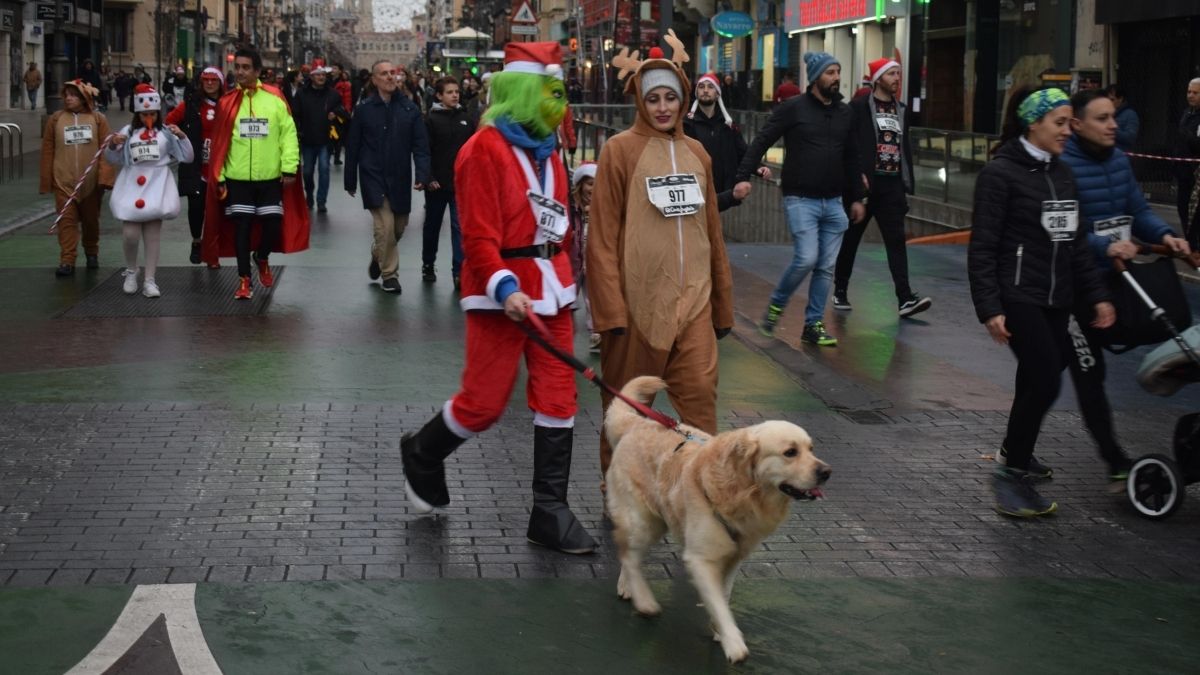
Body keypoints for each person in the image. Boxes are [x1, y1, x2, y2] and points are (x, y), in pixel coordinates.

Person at [400, 42, 596, 555]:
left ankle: (549, 510)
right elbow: (478, 236)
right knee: (484, 404)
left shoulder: (550, 147)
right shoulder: (481, 150)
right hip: (502, 293)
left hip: (551, 288)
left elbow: (556, 220)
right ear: (523, 92)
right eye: (549, 90)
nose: (559, 99)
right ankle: (423, 451)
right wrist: (505, 287)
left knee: (560, 397)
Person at [588, 45, 733, 492]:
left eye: (671, 97)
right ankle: (619, 496)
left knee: (700, 413)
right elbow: (602, 237)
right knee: (627, 415)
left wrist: (721, 307)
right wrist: (611, 312)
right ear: (640, 102)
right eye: (653, 99)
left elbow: (712, 234)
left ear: (684, 98)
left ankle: (703, 498)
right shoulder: (619, 151)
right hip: (636, 313)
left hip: (694, 308)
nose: (663, 107)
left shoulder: (698, 154)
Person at [968, 87, 1115, 517]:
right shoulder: (1000, 174)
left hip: (1057, 298)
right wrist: (990, 308)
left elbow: (1077, 247)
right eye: (1060, 123)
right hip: (1017, 295)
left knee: (1039, 376)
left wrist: (1098, 298)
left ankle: (1016, 448)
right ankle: (1011, 474)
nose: (1068, 131)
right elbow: (983, 247)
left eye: (1071, 122)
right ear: (1034, 123)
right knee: (1047, 378)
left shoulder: (1063, 174)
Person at [1059, 88, 1191, 485]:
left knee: (1041, 376)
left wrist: (1167, 236)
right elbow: (1067, 233)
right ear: (1077, 124)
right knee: (1087, 371)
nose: (1113, 125)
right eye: (1102, 119)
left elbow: (1138, 211)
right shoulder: (1061, 168)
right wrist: (1105, 244)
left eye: (1113, 117)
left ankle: (1017, 445)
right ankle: (1113, 456)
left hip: (1116, 279)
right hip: (1073, 287)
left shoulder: (1119, 161)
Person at [732, 52, 865, 346]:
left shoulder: (845, 114)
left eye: (838, 71)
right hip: (800, 198)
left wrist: (857, 197)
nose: (836, 78)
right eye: (830, 72)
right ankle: (777, 303)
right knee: (807, 257)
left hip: (834, 201)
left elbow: (852, 156)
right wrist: (743, 176)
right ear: (816, 76)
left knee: (825, 267)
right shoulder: (793, 109)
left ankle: (813, 324)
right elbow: (761, 141)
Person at [203, 47, 309, 300]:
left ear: (257, 71)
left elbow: (288, 135)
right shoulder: (227, 102)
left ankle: (261, 257)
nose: (240, 71)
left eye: (246, 67)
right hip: (237, 179)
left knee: (272, 224)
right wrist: (219, 176)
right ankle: (244, 280)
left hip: (271, 177)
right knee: (242, 227)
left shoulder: (275, 98)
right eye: (237, 67)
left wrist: (289, 167)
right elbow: (220, 143)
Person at [833, 57, 932, 318]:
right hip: (865, 186)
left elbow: (904, 147)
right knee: (851, 240)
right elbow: (849, 145)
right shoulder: (858, 108)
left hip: (892, 186)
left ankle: (905, 299)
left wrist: (905, 182)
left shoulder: (900, 108)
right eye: (892, 75)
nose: (897, 79)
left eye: (899, 74)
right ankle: (840, 289)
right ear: (878, 79)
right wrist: (855, 181)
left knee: (896, 242)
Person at [344, 60, 431, 294]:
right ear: (374, 80)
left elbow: (421, 146)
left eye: (393, 73)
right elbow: (353, 146)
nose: (390, 77)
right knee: (385, 225)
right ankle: (390, 275)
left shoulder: (409, 109)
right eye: (384, 74)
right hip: (372, 174)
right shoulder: (364, 109)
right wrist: (350, 178)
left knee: (398, 227)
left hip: (400, 175)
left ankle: (378, 253)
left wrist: (422, 173)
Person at [105, 85, 195, 298]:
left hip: (157, 187)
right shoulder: (128, 131)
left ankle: (150, 280)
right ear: (138, 113)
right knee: (130, 234)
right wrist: (112, 145)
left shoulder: (166, 132)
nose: (149, 117)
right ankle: (131, 269)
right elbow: (112, 159)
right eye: (145, 114)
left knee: (153, 236)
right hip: (131, 187)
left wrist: (182, 136)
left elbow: (187, 156)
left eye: (153, 113)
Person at [39, 79, 115, 276]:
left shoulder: (98, 119)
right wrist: (47, 180)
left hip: (90, 184)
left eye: (74, 95)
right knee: (66, 222)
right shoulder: (55, 119)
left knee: (91, 221)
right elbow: (48, 150)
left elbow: (106, 149)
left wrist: (104, 178)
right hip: (63, 181)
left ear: (84, 98)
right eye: (67, 94)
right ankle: (67, 260)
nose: (69, 98)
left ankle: (91, 251)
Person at [683, 72, 770, 211]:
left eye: (710, 87)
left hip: (720, 192)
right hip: (693, 190)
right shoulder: (686, 124)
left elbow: (743, 151)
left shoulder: (728, 125)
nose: (705, 90)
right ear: (696, 92)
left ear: (717, 93)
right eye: (701, 87)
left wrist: (758, 166)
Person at [166, 67, 226, 266]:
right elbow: (169, 122)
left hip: (221, 167)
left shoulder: (228, 104)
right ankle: (196, 241)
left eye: (213, 80)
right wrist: (178, 135)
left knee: (217, 212)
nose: (209, 84)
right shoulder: (190, 104)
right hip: (196, 166)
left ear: (220, 83)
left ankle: (213, 252)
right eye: (206, 80)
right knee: (196, 209)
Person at [422, 76, 475, 289]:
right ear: (439, 96)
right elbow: (425, 150)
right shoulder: (431, 120)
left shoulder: (466, 118)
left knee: (459, 228)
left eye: (456, 92)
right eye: (450, 92)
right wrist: (429, 177)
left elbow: (473, 149)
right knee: (432, 226)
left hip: (460, 184)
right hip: (437, 184)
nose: (455, 95)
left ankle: (459, 272)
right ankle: (428, 263)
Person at [294, 66, 346, 213]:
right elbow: (295, 114)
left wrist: (335, 114)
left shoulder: (333, 94)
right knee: (308, 172)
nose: (321, 77)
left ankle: (321, 200)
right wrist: (298, 131)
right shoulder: (302, 94)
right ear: (311, 77)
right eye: (318, 75)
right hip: (308, 139)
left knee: (324, 169)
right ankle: (309, 194)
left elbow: (343, 112)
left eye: (323, 75)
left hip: (325, 139)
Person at [568, 162, 598, 351]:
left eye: (596, 184)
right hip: (573, 262)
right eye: (589, 184)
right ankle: (564, 335)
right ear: (580, 185)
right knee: (568, 299)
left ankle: (597, 333)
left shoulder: (603, 209)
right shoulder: (572, 210)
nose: (592, 189)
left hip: (594, 263)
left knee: (593, 299)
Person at [1176, 78, 1200, 245]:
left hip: (1196, 171)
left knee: (1195, 210)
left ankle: (1194, 243)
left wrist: (1188, 137)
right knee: (1182, 206)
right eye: (1189, 92)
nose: (1190, 95)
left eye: (1195, 93)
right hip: (1182, 169)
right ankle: (1190, 241)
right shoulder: (1187, 112)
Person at [1106, 84, 1139, 152]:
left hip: (1120, 153)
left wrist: (1111, 130)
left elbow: (1130, 138)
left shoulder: (1130, 114)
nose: (1108, 102)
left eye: (1112, 99)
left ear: (1120, 99)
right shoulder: (1105, 113)